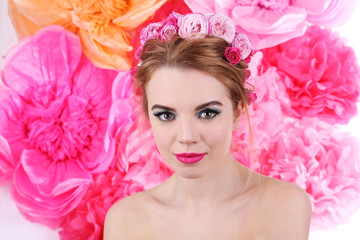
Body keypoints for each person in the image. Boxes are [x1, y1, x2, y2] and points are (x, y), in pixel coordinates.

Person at [104, 12, 312, 240]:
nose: (186, 136)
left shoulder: (284, 207)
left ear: (237, 113)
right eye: (166, 115)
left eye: (207, 113)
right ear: (148, 115)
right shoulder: (126, 221)